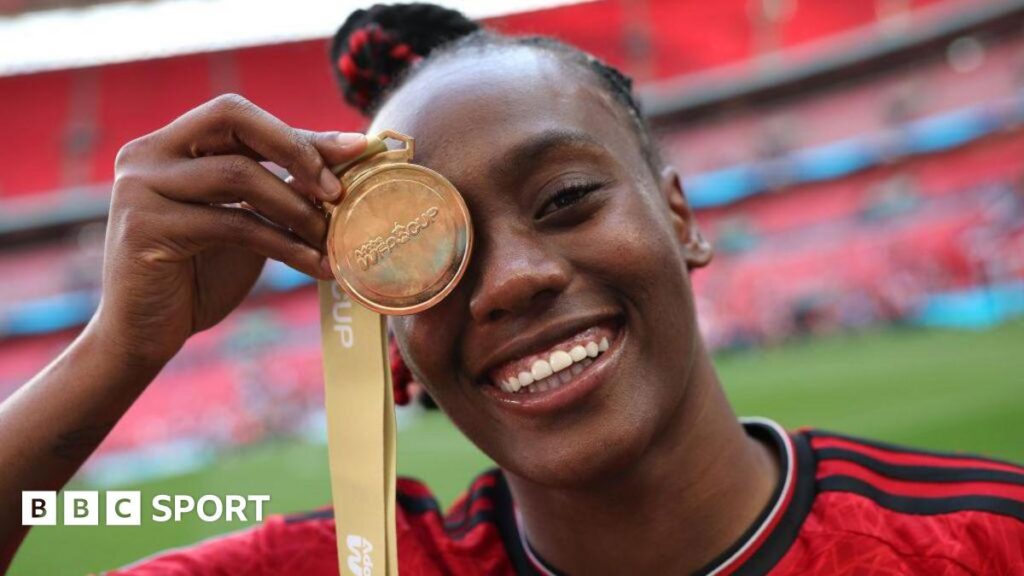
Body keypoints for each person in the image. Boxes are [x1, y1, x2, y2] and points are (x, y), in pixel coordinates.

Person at [2, 4, 1023, 575]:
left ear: (679, 218)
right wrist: (117, 349)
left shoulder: (984, 544)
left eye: (567, 198)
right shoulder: (348, 568)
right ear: (393, 353)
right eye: (423, 254)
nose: (511, 281)